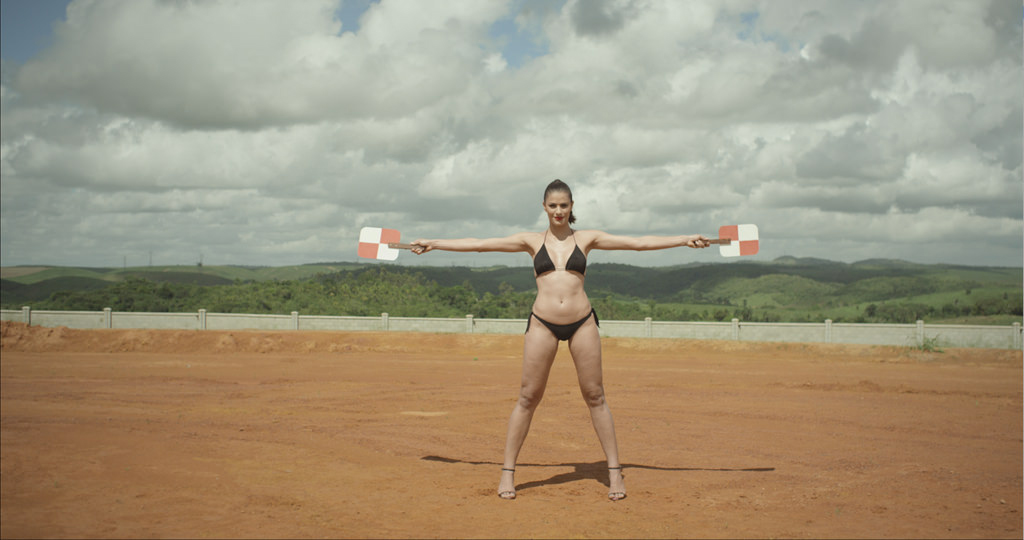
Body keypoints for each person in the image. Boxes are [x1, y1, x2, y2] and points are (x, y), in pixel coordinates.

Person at [410, 179, 710, 501]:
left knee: (595, 396)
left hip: (582, 323)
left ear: (571, 207)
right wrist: (436, 243)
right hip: (543, 324)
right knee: (527, 397)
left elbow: (637, 243)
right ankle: (507, 473)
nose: (558, 211)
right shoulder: (530, 241)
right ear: (544, 207)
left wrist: (683, 240)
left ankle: (614, 473)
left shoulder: (586, 238)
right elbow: (481, 244)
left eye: (563, 205)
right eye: (552, 205)